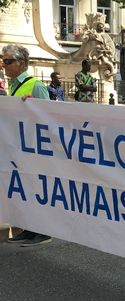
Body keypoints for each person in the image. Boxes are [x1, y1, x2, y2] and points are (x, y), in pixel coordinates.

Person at [3, 44, 52, 247]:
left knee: (37, 189)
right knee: (24, 189)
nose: (3, 64)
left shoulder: (36, 86)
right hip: (18, 149)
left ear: (21, 63)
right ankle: (28, 228)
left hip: (34, 148)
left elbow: (48, 117)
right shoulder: (13, 85)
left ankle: (43, 231)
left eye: (7, 61)